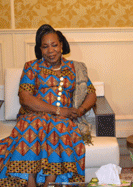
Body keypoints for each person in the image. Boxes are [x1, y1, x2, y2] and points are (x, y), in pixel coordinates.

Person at [0, 24, 97, 186]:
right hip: (33, 115)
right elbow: (25, 98)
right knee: (34, 124)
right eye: (45, 46)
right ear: (40, 49)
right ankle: (30, 181)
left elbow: (91, 93)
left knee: (57, 127)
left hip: (63, 120)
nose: (50, 50)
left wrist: (80, 111)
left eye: (54, 45)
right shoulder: (32, 67)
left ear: (61, 45)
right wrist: (59, 111)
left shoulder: (75, 68)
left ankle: (50, 182)